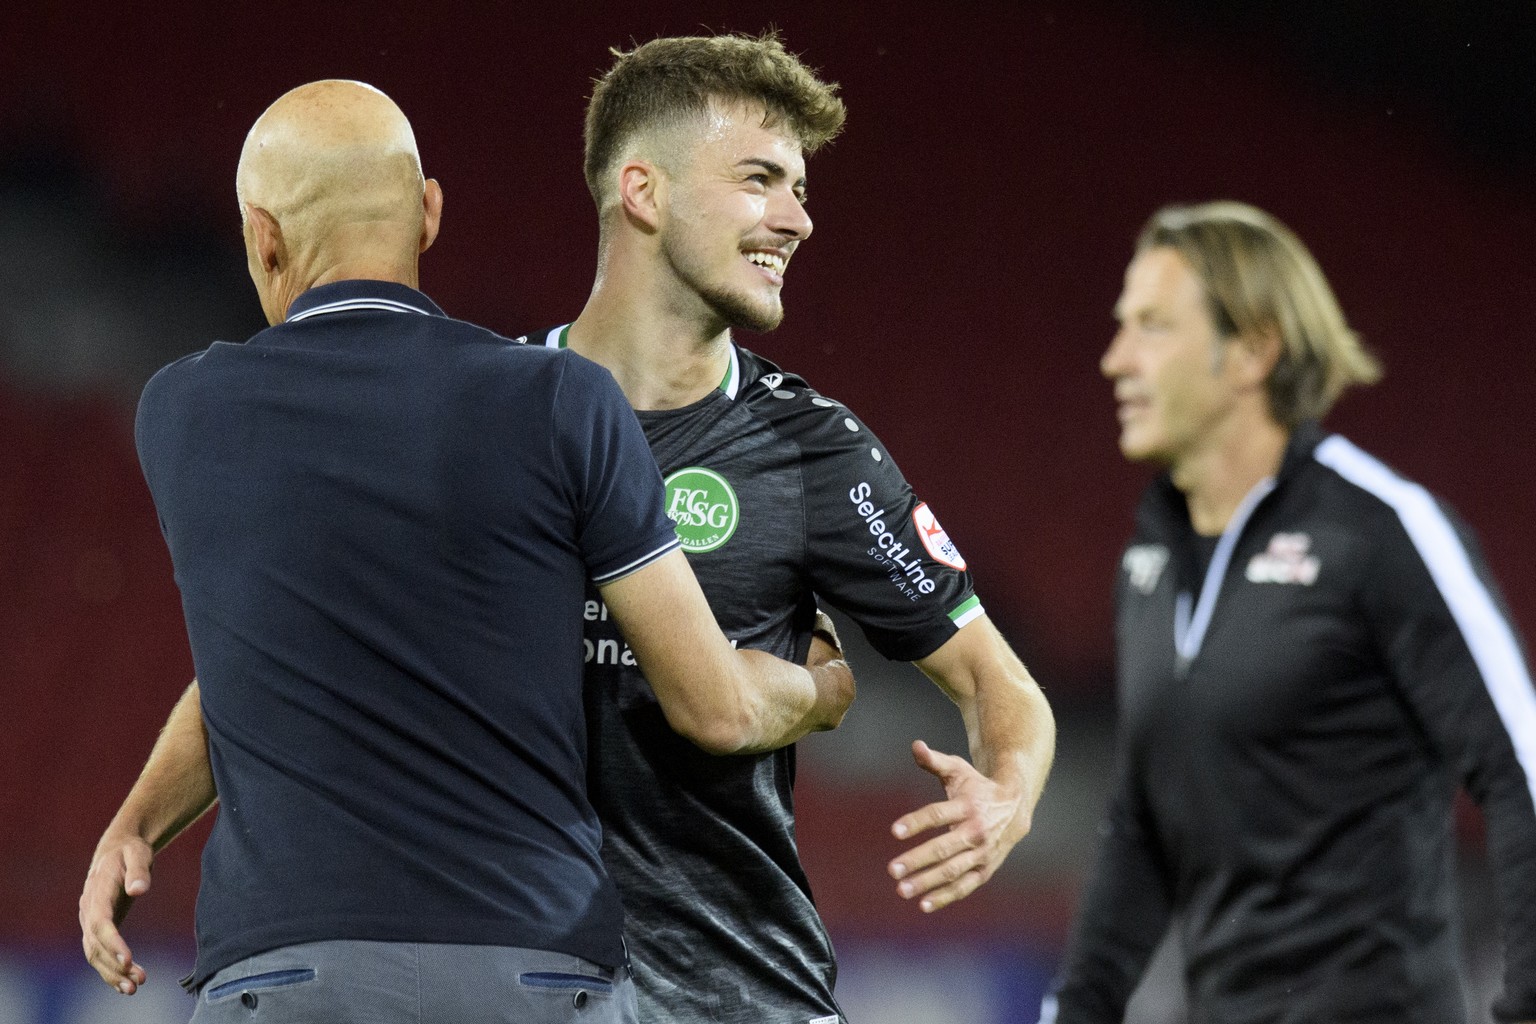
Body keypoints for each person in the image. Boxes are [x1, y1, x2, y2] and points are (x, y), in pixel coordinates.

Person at [78, 79, 854, 1022]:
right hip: (531, 976)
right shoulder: (561, 402)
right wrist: (816, 690)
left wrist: (138, 823)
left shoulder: (182, 414)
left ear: (263, 235)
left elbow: (265, 661)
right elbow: (718, 710)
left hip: (284, 981)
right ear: (430, 214)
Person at [516, 33, 1055, 1023]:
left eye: (801, 189)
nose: (799, 220)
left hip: (746, 998)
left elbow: (1000, 686)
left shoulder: (810, 447)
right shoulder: (486, 419)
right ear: (644, 190)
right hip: (523, 991)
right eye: (763, 179)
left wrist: (1006, 794)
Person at [1040, 201, 1536, 1023]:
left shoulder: (1382, 530)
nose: (1114, 359)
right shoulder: (1149, 561)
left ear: (1253, 350)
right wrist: (1078, 1007)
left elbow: (1520, 768)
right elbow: (1142, 823)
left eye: (1153, 327)